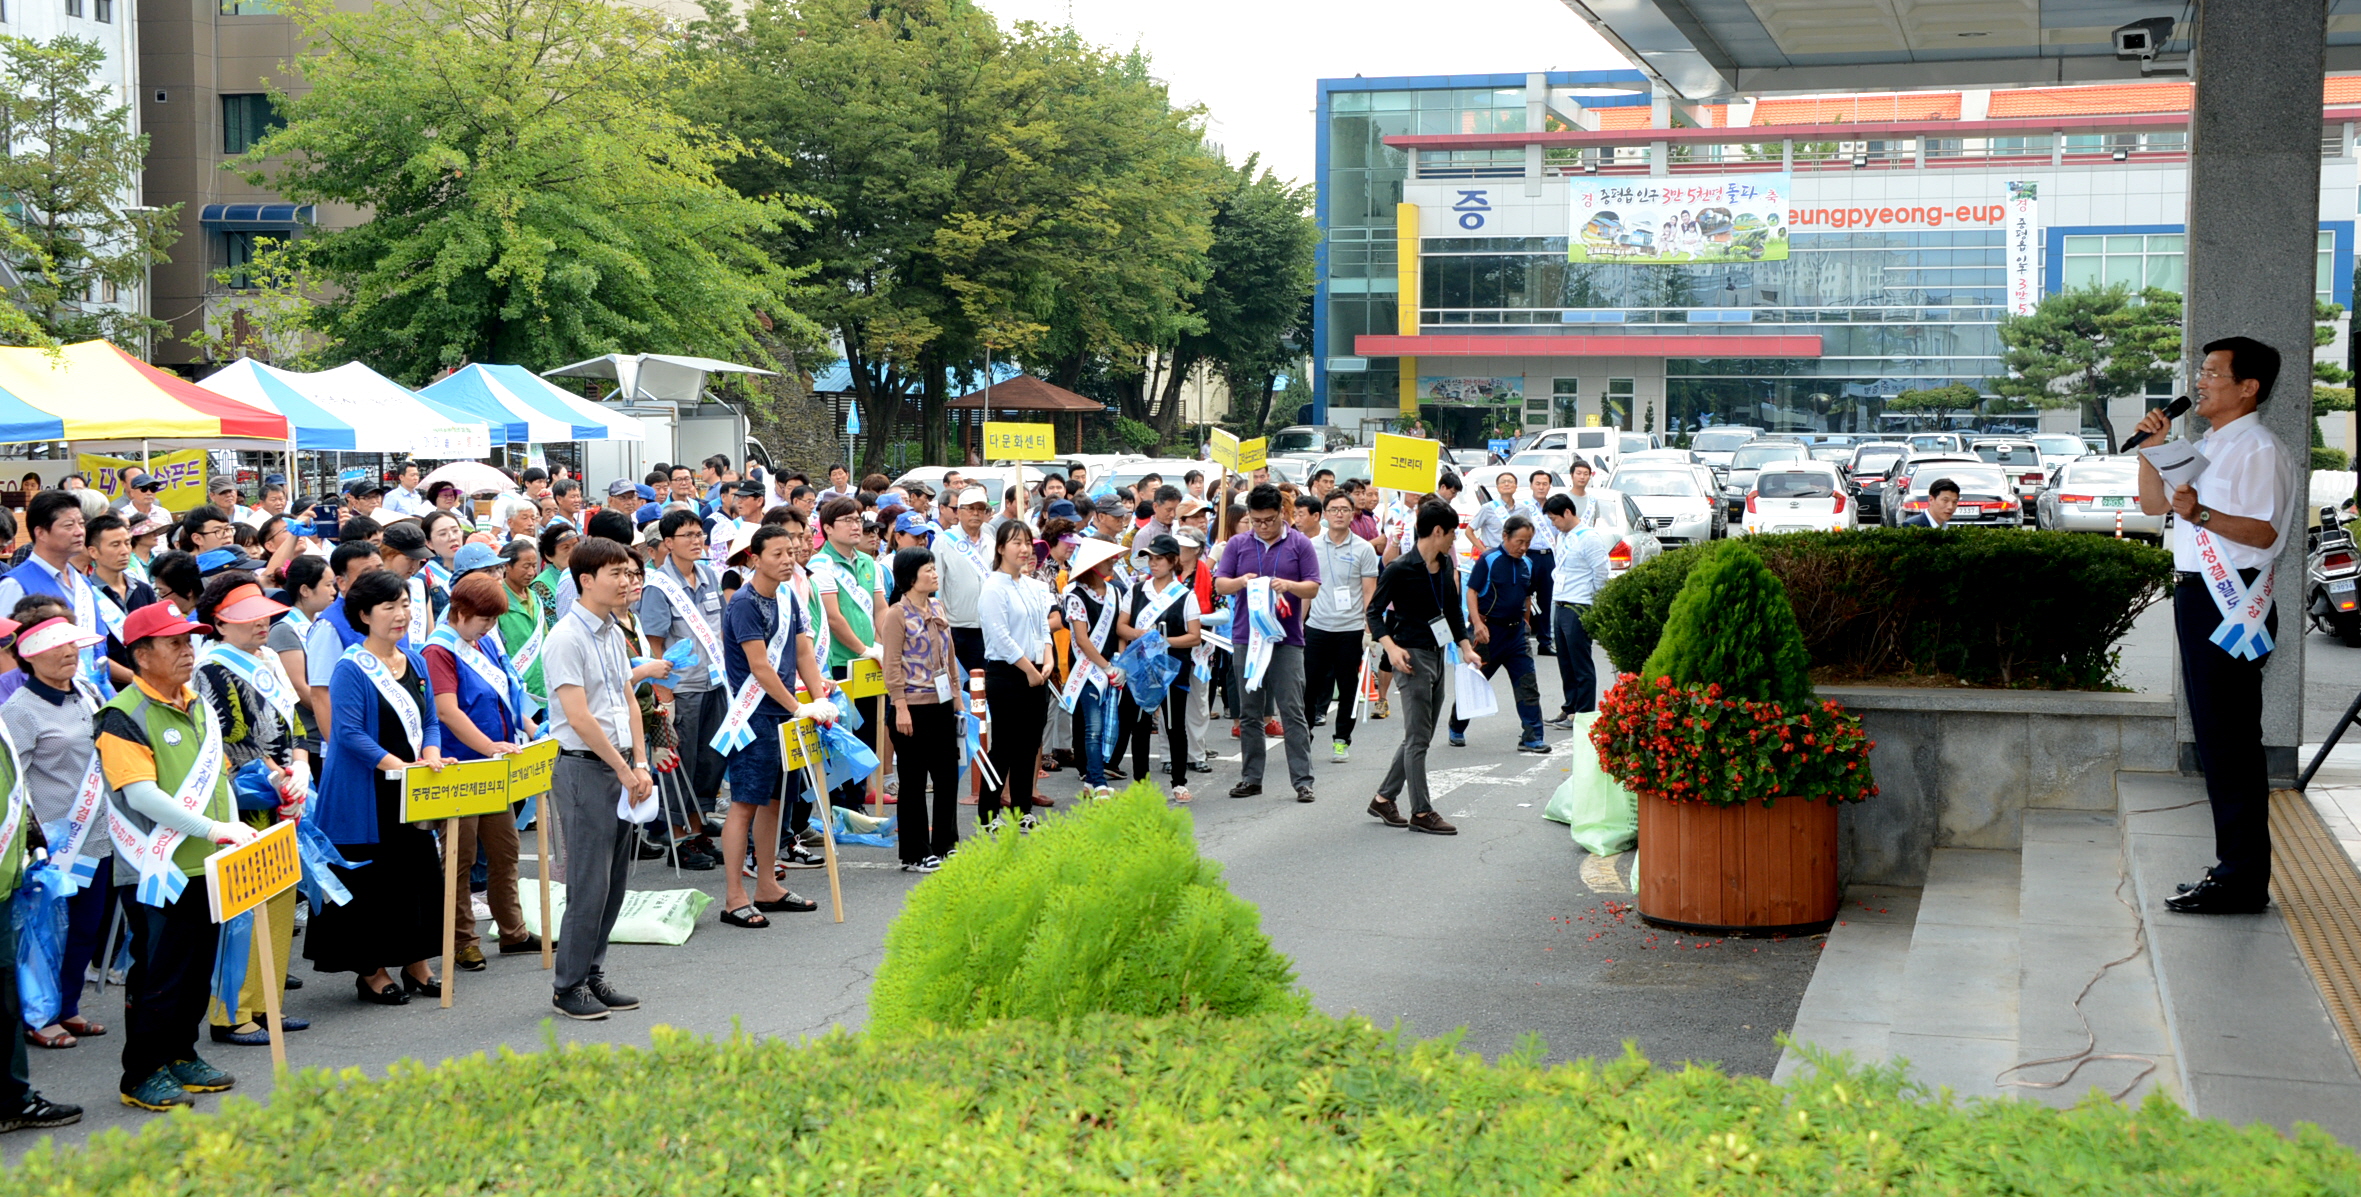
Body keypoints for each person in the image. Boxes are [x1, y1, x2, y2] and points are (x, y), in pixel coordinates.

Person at [2137, 335, 2293, 915]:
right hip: (2197, 598)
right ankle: (2235, 869)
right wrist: (2151, 449)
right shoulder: (2208, 444)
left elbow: (2265, 535)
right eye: (2199, 371)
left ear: (2248, 387)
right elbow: (2156, 506)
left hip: (2231, 605)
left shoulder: (2258, 449)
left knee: (2230, 745)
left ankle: (2242, 878)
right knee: (2217, 740)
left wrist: (2199, 511)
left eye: (2210, 372)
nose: (2198, 381)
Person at [97, 602, 250, 1111]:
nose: (188, 652)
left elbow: (219, 775)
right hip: (154, 867)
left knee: (195, 966)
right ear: (141, 655)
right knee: (158, 973)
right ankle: (140, 1071)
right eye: (175, 643)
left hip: (207, 861)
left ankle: (181, 1054)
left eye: (190, 641)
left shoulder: (196, 701)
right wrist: (212, 828)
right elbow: (140, 794)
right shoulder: (123, 715)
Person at [306, 569, 446, 1008]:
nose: (401, 615)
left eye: (405, 604)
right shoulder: (351, 667)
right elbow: (347, 733)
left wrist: (429, 754)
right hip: (365, 791)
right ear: (364, 615)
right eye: (389, 607)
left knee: (416, 875)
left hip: (409, 786)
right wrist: (396, 766)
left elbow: (430, 721)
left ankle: (417, 962)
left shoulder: (416, 661)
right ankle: (372, 971)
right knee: (371, 883)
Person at [188, 575, 310, 1047]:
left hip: (286, 794)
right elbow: (226, 740)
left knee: (280, 900)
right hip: (249, 800)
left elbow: (294, 722)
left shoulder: (270, 658)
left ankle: (267, 1004)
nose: (262, 624)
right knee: (245, 906)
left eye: (263, 614)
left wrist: (299, 767)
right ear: (219, 622)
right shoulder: (212, 668)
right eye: (247, 618)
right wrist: (276, 777)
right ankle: (231, 1012)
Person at [536, 537, 652, 1017]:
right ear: (586, 580)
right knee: (589, 884)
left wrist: (640, 762)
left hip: (623, 765)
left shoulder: (612, 630)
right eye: (617, 574)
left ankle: (592, 972)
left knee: (615, 882)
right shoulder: (566, 636)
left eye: (629, 573)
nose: (627, 582)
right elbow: (578, 716)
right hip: (586, 768)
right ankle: (568, 986)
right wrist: (626, 770)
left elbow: (628, 698)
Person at [3, 610, 112, 1054]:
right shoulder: (19, 710)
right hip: (52, 842)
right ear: (30, 655)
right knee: (46, 931)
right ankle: (39, 1016)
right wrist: (31, 841)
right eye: (57, 646)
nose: (70, 652)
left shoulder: (86, 691)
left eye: (73, 643)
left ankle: (67, 1004)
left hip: (99, 834)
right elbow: (14, 781)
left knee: (86, 928)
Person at [424, 573, 542, 970]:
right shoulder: (438, 650)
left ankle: (514, 931)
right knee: (459, 855)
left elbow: (506, 689)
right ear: (459, 612)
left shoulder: (485, 640)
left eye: (493, 621)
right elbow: (447, 711)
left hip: (496, 763)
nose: (489, 627)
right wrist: (488, 746)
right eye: (483, 620)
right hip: (460, 766)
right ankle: (462, 940)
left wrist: (527, 727)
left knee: (505, 850)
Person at [715, 524, 829, 927]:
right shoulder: (744, 602)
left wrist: (819, 699)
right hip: (755, 716)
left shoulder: (787, 596)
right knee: (745, 804)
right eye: (777, 554)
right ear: (754, 557)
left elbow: (803, 649)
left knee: (776, 803)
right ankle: (733, 896)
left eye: (790, 552)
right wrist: (799, 706)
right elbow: (760, 667)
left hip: (785, 713)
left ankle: (767, 886)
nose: (787, 560)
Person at [1366, 501, 1478, 836]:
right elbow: (1374, 613)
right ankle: (1422, 811)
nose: (1454, 540)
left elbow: (1452, 612)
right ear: (1437, 531)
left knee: (1423, 733)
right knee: (1418, 738)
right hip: (1410, 657)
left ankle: (1384, 798)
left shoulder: (1444, 566)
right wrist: (1392, 648)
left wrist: (1466, 647)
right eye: (1452, 533)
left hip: (1438, 653)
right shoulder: (1399, 568)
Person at [1213, 483, 1322, 803]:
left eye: (1270, 520)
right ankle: (1251, 778)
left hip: (1287, 638)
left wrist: (1289, 585)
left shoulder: (1300, 544)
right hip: (1248, 637)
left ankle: (1303, 780)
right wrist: (1241, 582)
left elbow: (1313, 587)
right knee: (1249, 710)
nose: (1263, 526)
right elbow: (1221, 584)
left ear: (1283, 514)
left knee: (1292, 709)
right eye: (1257, 520)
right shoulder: (1237, 544)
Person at [638, 510, 726, 866]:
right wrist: (663, 691)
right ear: (668, 543)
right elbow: (653, 641)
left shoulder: (708, 574)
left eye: (699, 534)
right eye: (687, 535)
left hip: (713, 684)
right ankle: (678, 839)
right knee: (679, 765)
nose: (696, 540)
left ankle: (697, 829)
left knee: (709, 762)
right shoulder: (658, 586)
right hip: (682, 688)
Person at [878, 549, 958, 871]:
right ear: (911, 576)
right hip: (910, 706)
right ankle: (915, 851)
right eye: (928, 569)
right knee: (912, 780)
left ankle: (945, 843)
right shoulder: (897, 614)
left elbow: (949, 657)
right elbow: (891, 664)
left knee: (947, 776)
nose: (934, 573)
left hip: (940, 704)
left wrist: (957, 697)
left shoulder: (937, 606)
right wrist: (899, 706)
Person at [1113, 534, 1202, 803]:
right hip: (1142, 667)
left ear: (1173, 560)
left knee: (1175, 724)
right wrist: (1142, 634)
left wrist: (1164, 641)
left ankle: (1179, 782)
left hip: (1172, 667)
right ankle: (1141, 782)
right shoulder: (1137, 590)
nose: (1153, 564)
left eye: (1159, 558)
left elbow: (1194, 636)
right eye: (1150, 558)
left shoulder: (1185, 596)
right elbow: (1121, 626)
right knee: (1139, 724)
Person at [1448, 515, 1548, 754]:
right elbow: (1471, 591)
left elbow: (1526, 597)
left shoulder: (1528, 564)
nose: (1523, 547)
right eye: (1519, 541)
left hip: (1516, 636)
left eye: (1528, 542)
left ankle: (1533, 736)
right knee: (1474, 682)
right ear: (1505, 536)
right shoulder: (1489, 559)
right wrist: (1477, 624)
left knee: (1527, 685)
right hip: (1488, 634)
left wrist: (1525, 623)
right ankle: (1456, 726)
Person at [979, 520, 1053, 829]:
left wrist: (1047, 661)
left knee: (1029, 745)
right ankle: (988, 813)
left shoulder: (1036, 586)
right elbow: (1000, 637)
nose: (1024, 549)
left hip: (1038, 670)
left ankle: (1023, 812)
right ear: (1000, 548)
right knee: (1004, 747)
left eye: (1027, 542)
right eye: (1016, 543)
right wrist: (1029, 669)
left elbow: (1044, 628)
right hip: (1008, 674)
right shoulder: (993, 586)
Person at [0, 491, 105, 692]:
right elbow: (6, 655)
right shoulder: (15, 584)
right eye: (68, 525)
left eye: (81, 524)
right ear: (40, 532)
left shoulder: (83, 582)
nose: (79, 532)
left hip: (93, 695)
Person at [1304, 489, 1379, 765]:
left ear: (1352, 514)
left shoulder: (1364, 548)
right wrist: (1300, 625)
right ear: (1324, 514)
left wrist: (1369, 630)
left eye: (1344, 510)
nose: (1339, 514)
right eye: (1333, 509)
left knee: (1348, 688)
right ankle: (1305, 735)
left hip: (1350, 630)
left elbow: (1369, 592)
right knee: (1309, 687)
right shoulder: (1311, 546)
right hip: (1317, 627)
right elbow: (1305, 591)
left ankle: (1341, 741)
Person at [1061, 540, 1131, 800]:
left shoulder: (1116, 592)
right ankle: (1098, 781)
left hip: (1112, 666)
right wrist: (1106, 666)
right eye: (1106, 559)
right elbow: (1082, 638)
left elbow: (1121, 629)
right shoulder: (1075, 596)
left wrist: (1120, 661)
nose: (1112, 562)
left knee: (1108, 723)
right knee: (1093, 726)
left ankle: (1092, 780)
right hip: (1089, 669)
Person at [1543, 494, 1612, 726]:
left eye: (1555, 519)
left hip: (1579, 605)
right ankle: (1569, 707)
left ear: (1567, 513)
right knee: (1565, 662)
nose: (1554, 524)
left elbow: (1601, 572)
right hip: (1561, 603)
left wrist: (1595, 603)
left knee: (1580, 663)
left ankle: (1583, 713)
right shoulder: (1563, 537)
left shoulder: (1588, 538)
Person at [1520, 471, 1558, 655]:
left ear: (1550, 486)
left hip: (1549, 556)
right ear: (1531, 485)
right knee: (1523, 596)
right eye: (1538, 483)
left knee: (1546, 599)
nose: (1541, 487)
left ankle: (1545, 642)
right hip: (1529, 556)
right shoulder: (1525, 507)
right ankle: (1522, 639)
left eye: (1545, 484)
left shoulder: (1554, 507)